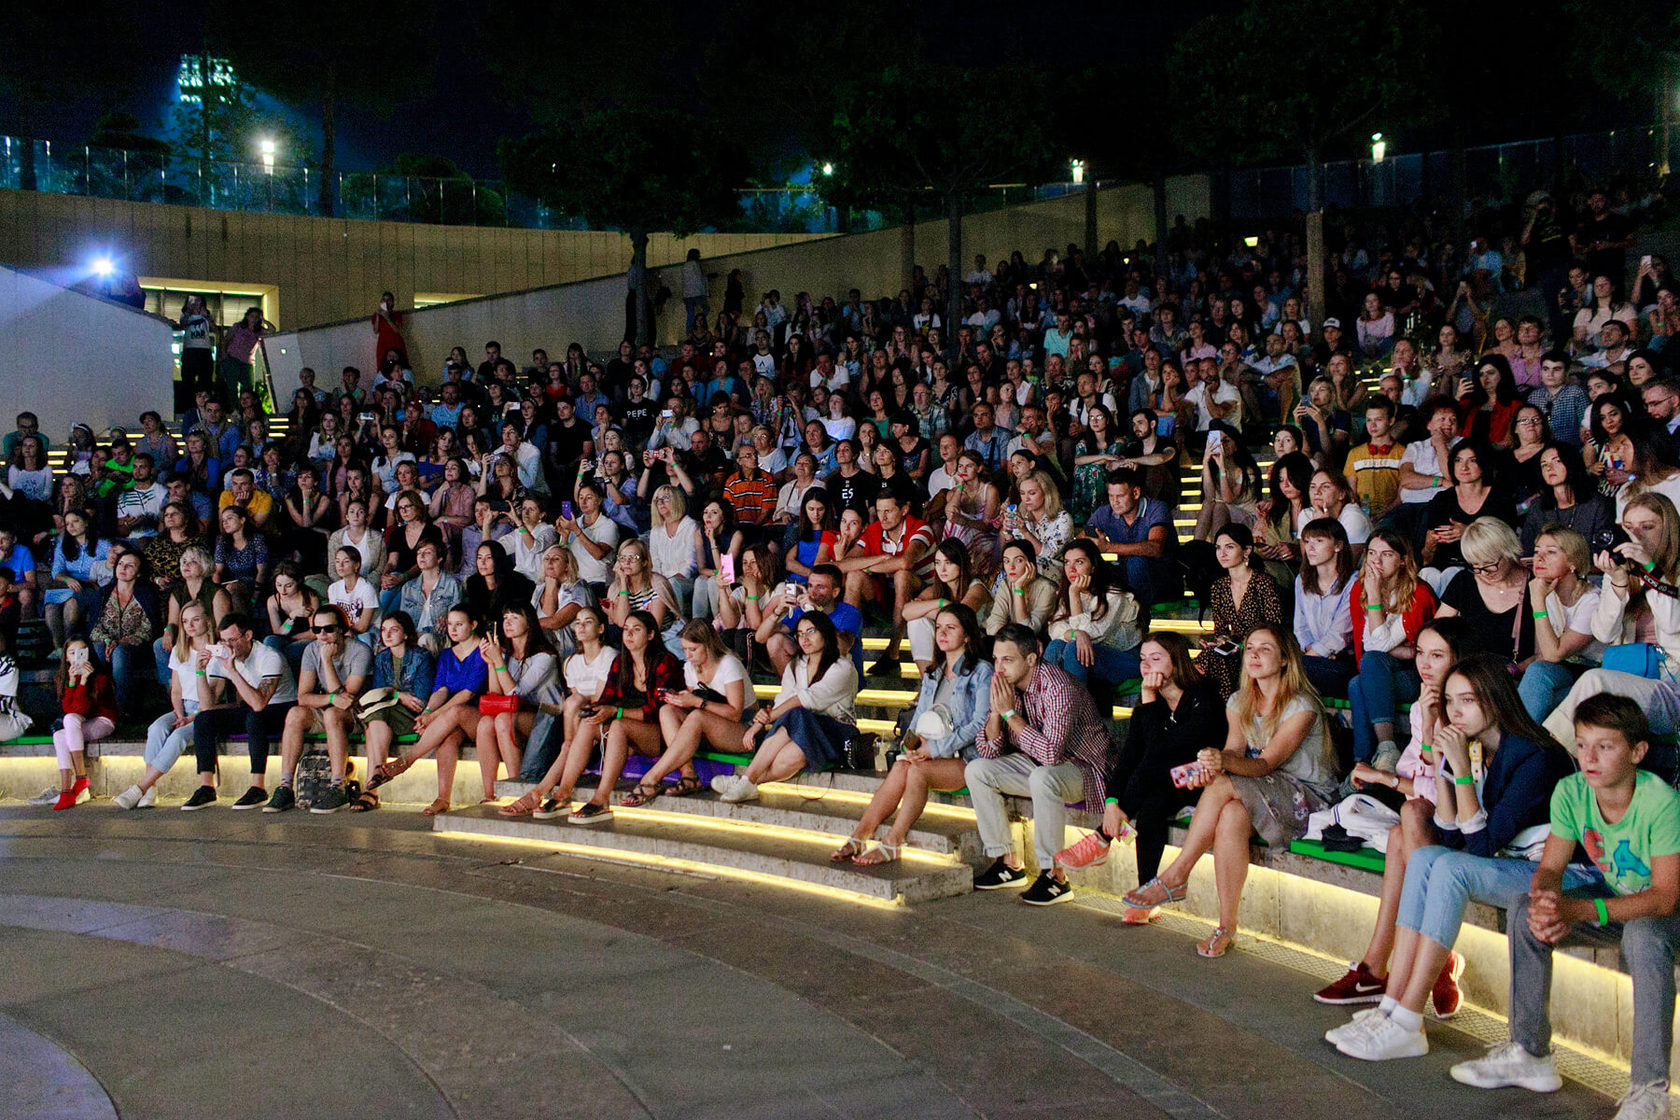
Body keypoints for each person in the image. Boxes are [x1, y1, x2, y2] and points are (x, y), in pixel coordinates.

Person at [1324, 656, 1575, 1061]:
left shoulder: (1534, 755)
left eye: (1468, 701)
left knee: (1447, 867)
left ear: (1495, 699)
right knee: (1427, 859)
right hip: (1508, 862)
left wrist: (1458, 768)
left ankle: (1409, 1018)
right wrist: (1444, 766)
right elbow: (1450, 834)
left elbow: (1480, 847)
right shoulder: (1477, 747)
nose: (1456, 711)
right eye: (1451, 701)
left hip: (1555, 873)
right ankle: (1391, 1006)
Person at [1449, 694, 1680, 1119]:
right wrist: (1548, 901)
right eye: (1582, 744)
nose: (1588, 758)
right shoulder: (1572, 792)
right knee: (1524, 910)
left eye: (1604, 747)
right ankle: (1529, 1052)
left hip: (1669, 915)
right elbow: (1551, 867)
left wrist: (1582, 912)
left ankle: (1650, 1091)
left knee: (1644, 934)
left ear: (1637, 752)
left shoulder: (1661, 802)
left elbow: (1665, 898)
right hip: (1620, 906)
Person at [1123, 627, 1337, 957]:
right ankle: (1226, 926)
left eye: (1265, 649)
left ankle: (1177, 874)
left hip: (1307, 798)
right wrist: (1210, 766)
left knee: (1222, 783)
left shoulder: (1301, 706)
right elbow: (1235, 752)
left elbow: (1265, 763)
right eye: (1250, 648)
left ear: (1285, 660)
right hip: (1260, 790)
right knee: (1231, 815)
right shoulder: (1238, 701)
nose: (1254, 655)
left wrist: (1221, 766)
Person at [1313, 619, 1470, 1011]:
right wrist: (1422, 733)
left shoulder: (1471, 707)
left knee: (1411, 815)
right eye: (1420, 653)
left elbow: (1442, 788)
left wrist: (1390, 775)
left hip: (1470, 826)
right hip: (1432, 821)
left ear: (1459, 659)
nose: (1425, 664)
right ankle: (1390, 964)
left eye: (1437, 655)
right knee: (1404, 827)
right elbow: (1415, 773)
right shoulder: (1421, 705)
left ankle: (1405, 964)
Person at [1055, 632, 1227, 923]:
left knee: (1154, 771)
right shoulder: (1151, 706)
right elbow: (1129, 759)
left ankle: (1101, 839)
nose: (1147, 666)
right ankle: (1146, 896)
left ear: (1176, 661)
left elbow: (1165, 753)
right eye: (1143, 659)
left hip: (1204, 780)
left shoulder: (1203, 697)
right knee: (1151, 806)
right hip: (1159, 785)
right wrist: (1112, 802)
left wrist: (1148, 700)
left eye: (1156, 658)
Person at [833, 605, 994, 864]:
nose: (942, 633)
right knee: (901, 766)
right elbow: (918, 718)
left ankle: (893, 841)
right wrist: (910, 746)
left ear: (966, 635)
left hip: (967, 757)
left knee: (917, 771)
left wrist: (935, 749)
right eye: (939, 627)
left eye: (951, 628)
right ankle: (859, 836)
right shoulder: (934, 672)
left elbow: (979, 724)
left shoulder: (981, 671)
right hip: (932, 752)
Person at [966, 622, 1111, 906]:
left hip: (1085, 769)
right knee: (977, 771)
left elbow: (1052, 754)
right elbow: (987, 751)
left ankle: (1055, 877)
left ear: (1031, 659)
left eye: (1008, 660)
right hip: (1039, 764)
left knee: (1044, 777)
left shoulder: (1058, 687)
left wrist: (1010, 715)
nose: (999, 669)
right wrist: (996, 713)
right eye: (996, 659)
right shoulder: (1007, 686)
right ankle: (1008, 863)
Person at [1541, 494, 1680, 752]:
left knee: (1594, 682)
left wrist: (1651, 569)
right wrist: (1617, 581)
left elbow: (1672, 625)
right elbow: (1604, 633)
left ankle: (1548, 756)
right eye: (1629, 528)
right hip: (1631, 675)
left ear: (1669, 530)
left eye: (1647, 527)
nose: (1636, 536)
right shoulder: (1624, 570)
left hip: (1673, 683)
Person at [712, 610, 859, 803]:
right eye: (800, 634)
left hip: (836, 733)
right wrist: (765, 718)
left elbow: (805, 699)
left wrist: (763, 721)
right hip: (804, 729)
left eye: (811, 632)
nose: (804, 639)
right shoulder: (796, 665)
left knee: (797, 713)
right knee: (796, 754)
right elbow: (783, 700)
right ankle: (747, 784)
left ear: (825, 633)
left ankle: (743, 780)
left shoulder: (843, 668)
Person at [367, 605, 488, 816]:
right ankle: (443, 798)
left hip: (479, 716)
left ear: (473, 625)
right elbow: (441, 689)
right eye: (450, 624)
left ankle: (406, 761)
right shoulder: (448, 654)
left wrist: (433, 715)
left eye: (459, 624)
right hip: (450, 716)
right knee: (447, 739)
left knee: (456, 711)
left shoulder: (483, 650)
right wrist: (428, 712)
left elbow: (468, 693)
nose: (453, 629)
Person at [183, 612, 299, 811]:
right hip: (251, 706)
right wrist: (200, 671)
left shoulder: (269, 656)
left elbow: (259, 703)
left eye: (232, 640)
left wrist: (232, 670)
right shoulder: (225, 656)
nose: (228, 646)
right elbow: (207, 704)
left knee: (255, 718)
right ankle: (206, 786)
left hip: (281, 707)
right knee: (204, 718)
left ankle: (258, 787)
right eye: (223, 641)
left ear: (247, 636)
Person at [263, 605, 373, 814]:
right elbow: (303, 697)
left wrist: (326, 661)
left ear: (342, 629)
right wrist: (330, 698)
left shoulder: (360, 651)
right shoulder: (311, 649)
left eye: (328, 629)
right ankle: (285, 787)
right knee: (295, 714)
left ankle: (338, 787)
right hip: (329, 707)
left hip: (358, 714)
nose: (322, 635)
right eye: (316, 630)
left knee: (332, 714)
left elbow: (346, 698)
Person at [114, 601, 215, 810]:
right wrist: (179, 713)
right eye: (185, 621)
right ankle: (151, 789)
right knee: (156, 728)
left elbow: (213, 699)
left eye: (195, 620)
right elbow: (176, 690)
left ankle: (141, 787)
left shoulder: (216, 651)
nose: (189, 625)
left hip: (205, 711)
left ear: (207, 621)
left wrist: (190, 718)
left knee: (178, 736)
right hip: (183, 706)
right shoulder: (180, 649)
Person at [350, 611, 437, 812]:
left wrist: (393, 695)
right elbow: (379, 693)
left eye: (394, 630)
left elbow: (419, 700)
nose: (387, 635)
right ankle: (374, 782)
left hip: (413, 715)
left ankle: (371, 788)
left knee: (375, 718)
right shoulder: (382, 658)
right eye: (383, 630)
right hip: (386, 713)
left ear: (405, 634)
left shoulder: (421, 657)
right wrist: (399, 696)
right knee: (375, 721)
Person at [474, 602, 562, 794]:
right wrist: (491, 663)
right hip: (520, 714)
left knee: (503, 720)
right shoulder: (506, 655)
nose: (508, 622)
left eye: (514, 617)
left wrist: (498, 660)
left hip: (548, 720)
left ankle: (516, 787)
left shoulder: (544, 657)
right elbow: (496, 695)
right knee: (485, 724)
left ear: (529, 623)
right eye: (505, 618)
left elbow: (515, 693)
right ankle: (489, 793)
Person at [1517, 528, 1603, 722]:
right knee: (1535, 677)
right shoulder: (1546, 593)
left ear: (1573, 563)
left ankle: (1520, 738)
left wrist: (1537, 601)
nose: (1539, 558)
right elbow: (1542, 656)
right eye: (1537, 551)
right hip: (1563, 671)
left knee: (1544, 696)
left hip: (1594, 674)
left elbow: (1553, 654)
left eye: (1551, 552)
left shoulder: (1592, 601)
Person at [1434, 517, 1535, 664]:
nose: (1483, 572)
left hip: (1519, 673)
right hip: (1471, 670)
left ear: (1508, 551)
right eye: (1475, 565)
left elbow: (1544, 653)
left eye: (1489, 563)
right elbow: (1437, 631)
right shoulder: (1465, 580)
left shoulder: (1535, 585)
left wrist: (1515, 669)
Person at [1044, 539, 1141, 689]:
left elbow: (1091, 634)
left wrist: (1074, 595)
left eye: (1079, 562)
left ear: (1093, 567)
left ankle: (1077, 702)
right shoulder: (1066, 592)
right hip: (1089, 658)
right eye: (1067, 562)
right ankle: (1046, 698)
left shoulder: (1114, 595)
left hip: (1123, 659)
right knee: (1056, 645)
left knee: (1074, 647)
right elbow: (1054, 629)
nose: (1071, 569)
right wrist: (1076, 633)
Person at [1203, 524, 1286, 698]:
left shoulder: (1263, 583)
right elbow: (1220, 628)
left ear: (1247, 550)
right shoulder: (1219, 586)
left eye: (1229, 547)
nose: (1222, 553)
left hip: (1260, 648)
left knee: (1217, 660)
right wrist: (1221, 640)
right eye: (1218, 548)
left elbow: (1274, 628)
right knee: (1213, 655)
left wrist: (1242, 645)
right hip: (1233, 649)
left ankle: (1228, 709)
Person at [1084, 467, 1180, 613]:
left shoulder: (1156, 508)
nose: (1114, 502)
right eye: (1111, 496)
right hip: (1127, 576)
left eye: (1120, 496)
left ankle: (1139, 616)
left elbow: (1155, 547)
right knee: (1091, 565)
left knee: (1136, 562)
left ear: (1135, 493)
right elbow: (1081, 541)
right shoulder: (1105, 512)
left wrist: (1108, 547)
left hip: (1162, 578)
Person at [39, 639, 117, 811]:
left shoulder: (100, 677)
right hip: (79, 722)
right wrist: (73, 681)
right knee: (59, 735)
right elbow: (69, 708)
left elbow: (81, 709)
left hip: (102, 720)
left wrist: (83, 681)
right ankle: (66, 788)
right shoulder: (63, 676)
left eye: (82, 652)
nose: (77, 657)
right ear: (66, 657)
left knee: (69, 720)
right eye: (72, 653)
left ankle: (81, 778)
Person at [902, 541, 989, 674]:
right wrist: (942, 603)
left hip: (979, 642)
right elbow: (906, 612)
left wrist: (926, 611)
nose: (942, 569)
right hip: (952, 640)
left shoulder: (976, 587)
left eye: (948, 563)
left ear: (961, 563)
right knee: (916, 621)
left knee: (922, 617)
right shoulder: (937, 589)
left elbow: (959, 618)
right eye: (937, 563)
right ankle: (928, 679)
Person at [88, 550, 158, 714]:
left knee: (119, 652)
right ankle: (94, 705)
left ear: (139, 572)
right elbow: (94, 627)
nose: (123, 568)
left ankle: (122, 708)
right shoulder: (103, 593)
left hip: (136, 649)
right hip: (105, 645)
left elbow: (147, 630)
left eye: (130, 565)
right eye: (120, 564)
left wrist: (120, 642)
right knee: (97, 649)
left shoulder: (146, 595)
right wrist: (108, 641)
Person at [1295, 517, 1357, 698]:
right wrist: (1310, 651)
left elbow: (1340, 634)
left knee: (1288, 672)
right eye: (1307, 541)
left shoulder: (1354, 582)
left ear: (1338, 545)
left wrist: (1313, 655)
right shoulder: (1302, 580)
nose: (1310, 547)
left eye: (1319, 541)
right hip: (1312, 659)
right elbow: (1300, 627)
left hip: (1343, 661)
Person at [1519, 442, 1615, 554]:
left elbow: (1603, 550)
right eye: (1544, 465)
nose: (1549, 468)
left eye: (1557, 461)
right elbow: (1527, 549)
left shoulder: (1597, 504)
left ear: (1571, 463)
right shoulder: (1538, 507)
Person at [396, 539, 463, 654]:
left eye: (427, 552)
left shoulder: (452, 584)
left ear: (439, 558)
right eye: (419, 553)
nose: (421, 556)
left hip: (439, 638)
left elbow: (457, 618)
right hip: (413, 637)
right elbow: (403, 620)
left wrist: (447, 621)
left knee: (426, 639)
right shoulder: (408, 588)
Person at [983, 539, 1058, 636]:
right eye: (1006, 561)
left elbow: (1029, 629)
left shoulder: (1047, 588)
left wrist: (1019, 589)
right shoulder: (1006, 584)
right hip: (1009, 639)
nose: (1011, 567)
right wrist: (1008, 636)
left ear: (1030, 564)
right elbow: (993, 623)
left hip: (1039, 641)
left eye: (1018, 560)